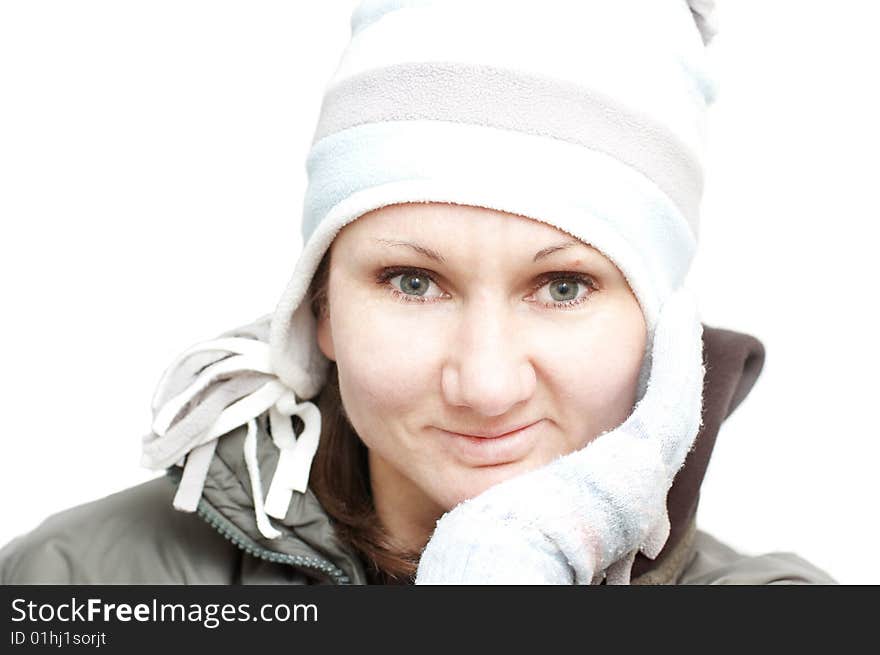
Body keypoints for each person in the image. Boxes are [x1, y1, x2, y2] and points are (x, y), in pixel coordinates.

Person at [0, 0, 836, 585]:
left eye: (564, 285)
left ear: (660, 326)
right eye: (413, 281)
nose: (484, 383)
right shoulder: (78, 585)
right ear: (318, 305)